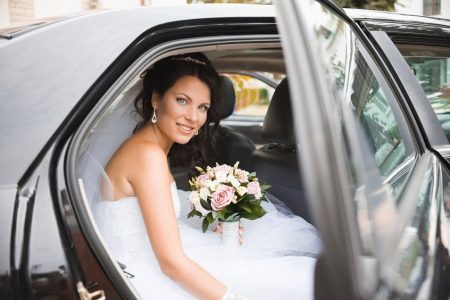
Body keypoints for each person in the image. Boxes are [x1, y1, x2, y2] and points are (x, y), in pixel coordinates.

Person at [93, 53, 321, 299]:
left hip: (146, 260)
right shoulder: (147, 155)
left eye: (202, 107)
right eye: (182, 100)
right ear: (157, 99)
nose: (193, 117)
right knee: (303, 283)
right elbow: (171, 264)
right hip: (142, 275)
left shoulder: (147, 147)